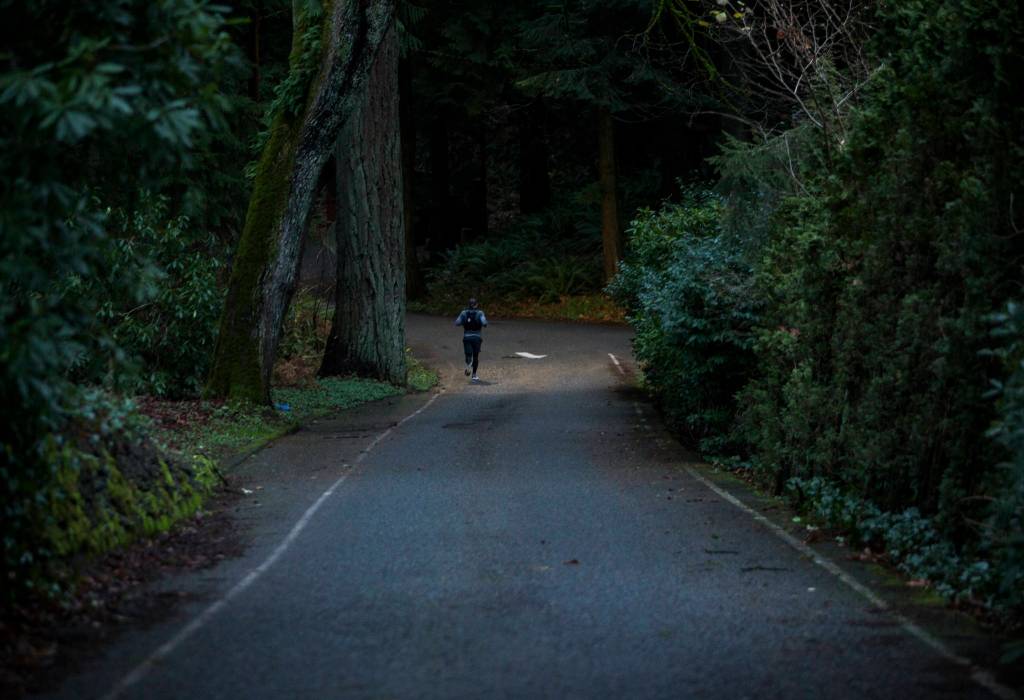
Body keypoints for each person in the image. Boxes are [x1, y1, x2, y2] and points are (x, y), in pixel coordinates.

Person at [454, 298, 488, 381]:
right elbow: (484, 323)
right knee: (476, 356)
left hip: (467, 337)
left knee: (468, 355)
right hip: (477, 338)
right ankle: (474, 375)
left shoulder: (464, 313)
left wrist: (464, 321)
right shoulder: (480, 313)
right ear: (477, 305)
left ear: (468, 305)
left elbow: (457, 323)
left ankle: (468, 364)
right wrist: (483, 323)